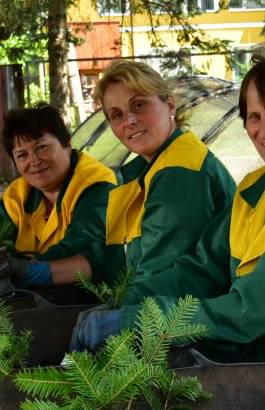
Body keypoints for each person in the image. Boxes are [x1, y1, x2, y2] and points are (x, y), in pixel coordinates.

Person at [71, 55, 265, 361]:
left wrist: (136, 321)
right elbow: (203, 267)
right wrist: (128, 302)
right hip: (258, 357)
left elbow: (251, 310)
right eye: (254, 117)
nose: (264, 130)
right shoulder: (255, 188)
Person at [85, 60, 236, 299]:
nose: (129, 121)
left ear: (170, 103)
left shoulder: (179, 171)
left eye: (139, 105)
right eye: (117, 115)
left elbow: (161, 278)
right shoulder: (152, 169)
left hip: (184, 323)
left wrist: (118, 316)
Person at [0, 104, 117, 294]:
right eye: (22, 155)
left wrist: (28, 270)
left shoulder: (96, 186)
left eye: (41, 147)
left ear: (67, 145)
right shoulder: (19, 194)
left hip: (88, 297)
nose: (34, 160)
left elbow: (80, 243)